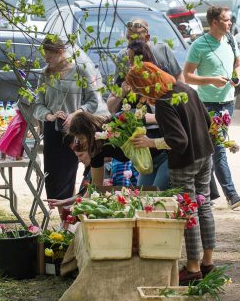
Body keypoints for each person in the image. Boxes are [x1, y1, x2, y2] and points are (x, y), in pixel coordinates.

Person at [126, 61, 216, 284]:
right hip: (205, 154)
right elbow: (207, 121)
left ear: (146, 86)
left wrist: (150, 142)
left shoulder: (165, 103)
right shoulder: (185, 89)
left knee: (188, 210)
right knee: (203, 206)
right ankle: (208, 262)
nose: (141, 98)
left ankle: (193, 267)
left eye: (139, 91)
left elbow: (178, 141)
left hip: (184, 162)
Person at [107, 19, 184, 189]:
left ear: (147, 37)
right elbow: (112, 103)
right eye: (128, 39)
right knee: (143, 192)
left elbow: (179, 80)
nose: (131, 44)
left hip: (161, 134)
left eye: (135, 39)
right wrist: (123, 93)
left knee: (157, 192)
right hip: (139, 140)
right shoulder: (123, 58)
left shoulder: (162, 52)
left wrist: (171, 110)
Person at [183, 6, 240, 210]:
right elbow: (187, 75)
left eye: (230, 20)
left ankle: (205, 194)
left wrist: (237, 74)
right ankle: (232, 195)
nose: (230, 23)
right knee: (218, 148)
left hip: (228, 102)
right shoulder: (199, 45)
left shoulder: (231, 40)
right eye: (226, 20)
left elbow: (239, 64)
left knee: (210, 149)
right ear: (214, 22)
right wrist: (210, 80)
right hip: (207, 105)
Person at [34, 37, 99, 214]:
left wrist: (77, 113)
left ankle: (70, 217)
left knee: (72, 175)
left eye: (50, 56)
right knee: (54, 178)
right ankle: (64, 217)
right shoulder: (44, 73)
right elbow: (37, 105)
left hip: (76, 130)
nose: (47, 60)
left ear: (61, 52)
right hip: (52, 130)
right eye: (45, 56)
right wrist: (49, 115)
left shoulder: (79, 71)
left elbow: (92, 102)